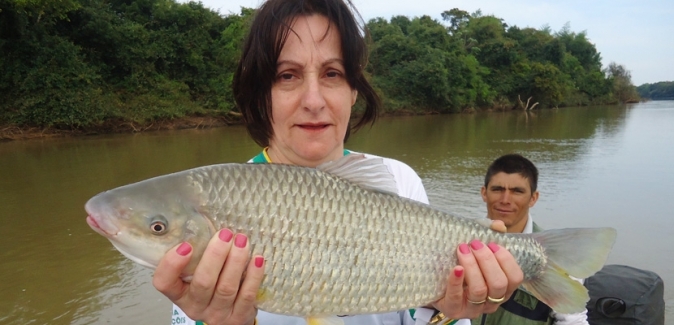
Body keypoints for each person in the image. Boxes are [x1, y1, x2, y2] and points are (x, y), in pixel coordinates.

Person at [152, 1, 525, 324]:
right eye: (287, 76)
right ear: (260, 94)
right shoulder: (213, 205)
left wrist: (445, 308)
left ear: (353, 90)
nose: (313, 100)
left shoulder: (398, 179)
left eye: (332, 73)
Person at [475, 153, 589, 325]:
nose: (505, 200)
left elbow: (573, 321)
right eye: (497, 189)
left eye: (517, 191)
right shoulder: (461, 241)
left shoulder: (555, 253)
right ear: (484, 193)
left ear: (533, 198)